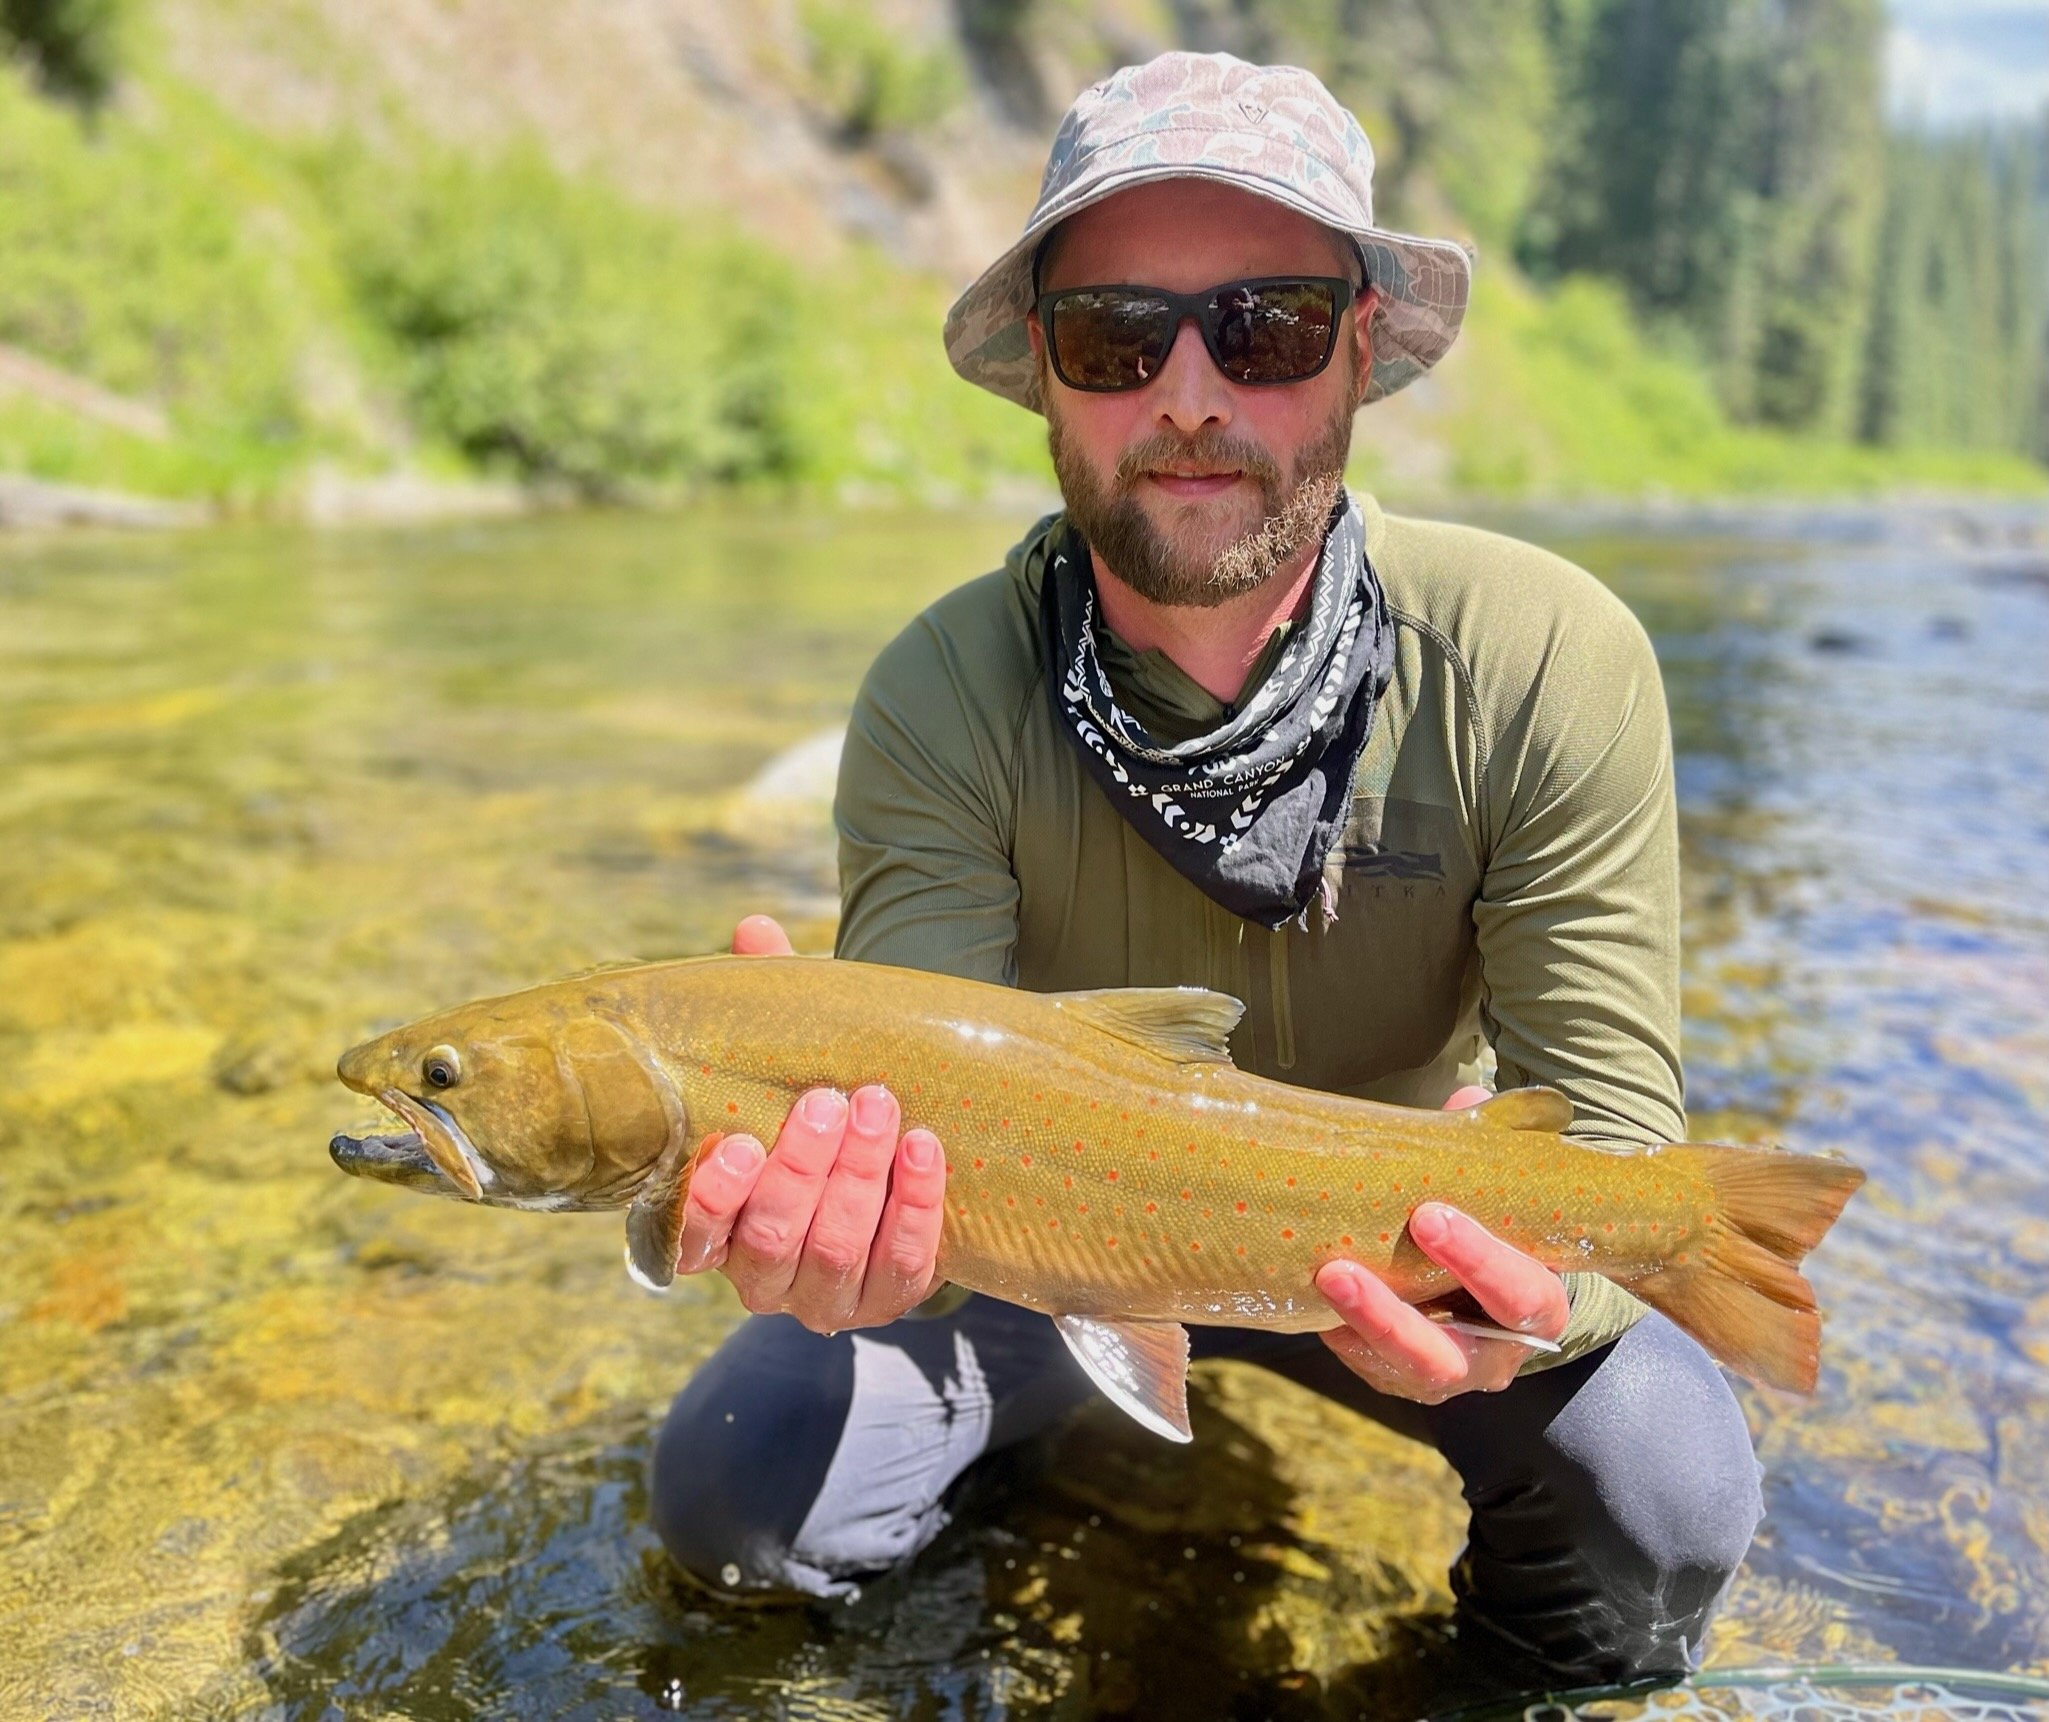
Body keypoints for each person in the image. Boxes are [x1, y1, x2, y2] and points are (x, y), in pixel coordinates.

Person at [648, 51, 1763, 1686]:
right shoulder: (940, 691)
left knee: (1659, 1498)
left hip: (1401, 1255)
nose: (1190, 396)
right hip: (1038, 1258)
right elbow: (911, 1120)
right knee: (736, 1493)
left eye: (1268, 327)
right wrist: (820, 1190)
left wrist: (1519, 1306)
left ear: (1357, 357)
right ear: (1042, 370)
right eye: (1115, 335)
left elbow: (1603, 1132)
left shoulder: (1542, 656)